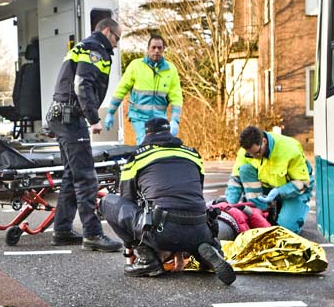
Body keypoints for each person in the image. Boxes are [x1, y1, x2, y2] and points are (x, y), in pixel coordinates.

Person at [100, 117, 236, 284]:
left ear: (147, 133)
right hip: (200, 228)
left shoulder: (137, 157)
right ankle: (206, 252)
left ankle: (146, 259)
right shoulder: (193, 154)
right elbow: (195, 194)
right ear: (169, 132)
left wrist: (131, 250)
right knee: (187, 216)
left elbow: (127, 201)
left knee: (109, 202)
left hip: (162, 230)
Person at [45, 18, 123, 252]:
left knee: (71, 174)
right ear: (107, 31)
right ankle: (92, 234)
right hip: (71, 118)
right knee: (86, 177)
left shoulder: (82, 46)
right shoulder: (95, 49)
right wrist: (94, 118)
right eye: (116, 38)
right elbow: (82, 84)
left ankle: (62, 230)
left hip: (61, 115)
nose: (117, 45)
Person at [225, 125, 313, 234]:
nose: (255, 156)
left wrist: (279, 192)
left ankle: (288, 210)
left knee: (285, 231)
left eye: (257, 153)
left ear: (264, 141)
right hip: (267, 185)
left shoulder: (289, 150)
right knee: (244, 169)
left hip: (293, 189)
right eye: (250, 154)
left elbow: (303, 183)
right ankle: (262, 211)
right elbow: (235, 180)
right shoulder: (246, 152)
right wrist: (227, 206)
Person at [103, 35, 183, 144]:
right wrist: (110, 112)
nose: (156, 51)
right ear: (148, 49)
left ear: (164, 49)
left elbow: (176, 97)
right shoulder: (136, 66)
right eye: (153, 47)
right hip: (139, 116)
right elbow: (121, 90)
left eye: (160, 48)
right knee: (144, 143)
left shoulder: (170, 70)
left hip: (159, 117)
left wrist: (175, 120)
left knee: (160, 145)